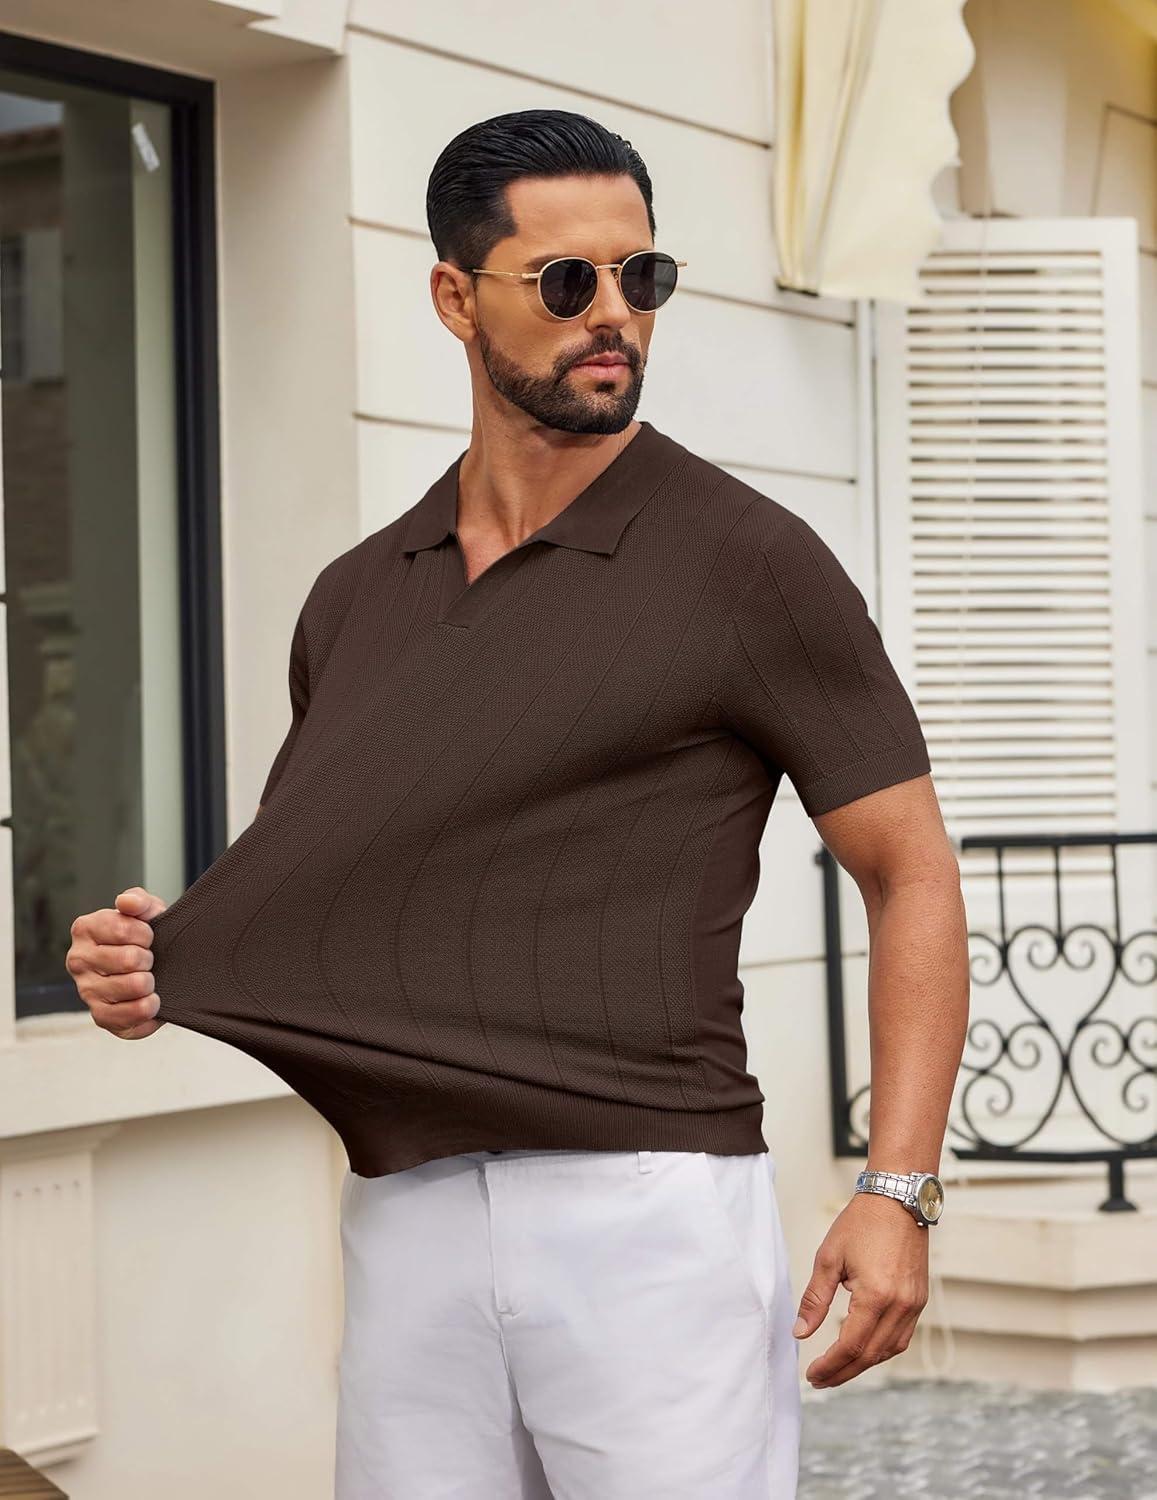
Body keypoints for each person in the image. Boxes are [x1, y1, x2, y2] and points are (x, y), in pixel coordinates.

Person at [66, 108, 970, 1500]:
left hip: (650, 1207)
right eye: (564, 281)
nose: (613, 315)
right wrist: (155, 962)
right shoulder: (356, 597)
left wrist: (896, 1188)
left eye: (640, 277)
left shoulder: (750, 563)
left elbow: (910, 874)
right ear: (454, 296)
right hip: (406, 1212)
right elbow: (361, 885)